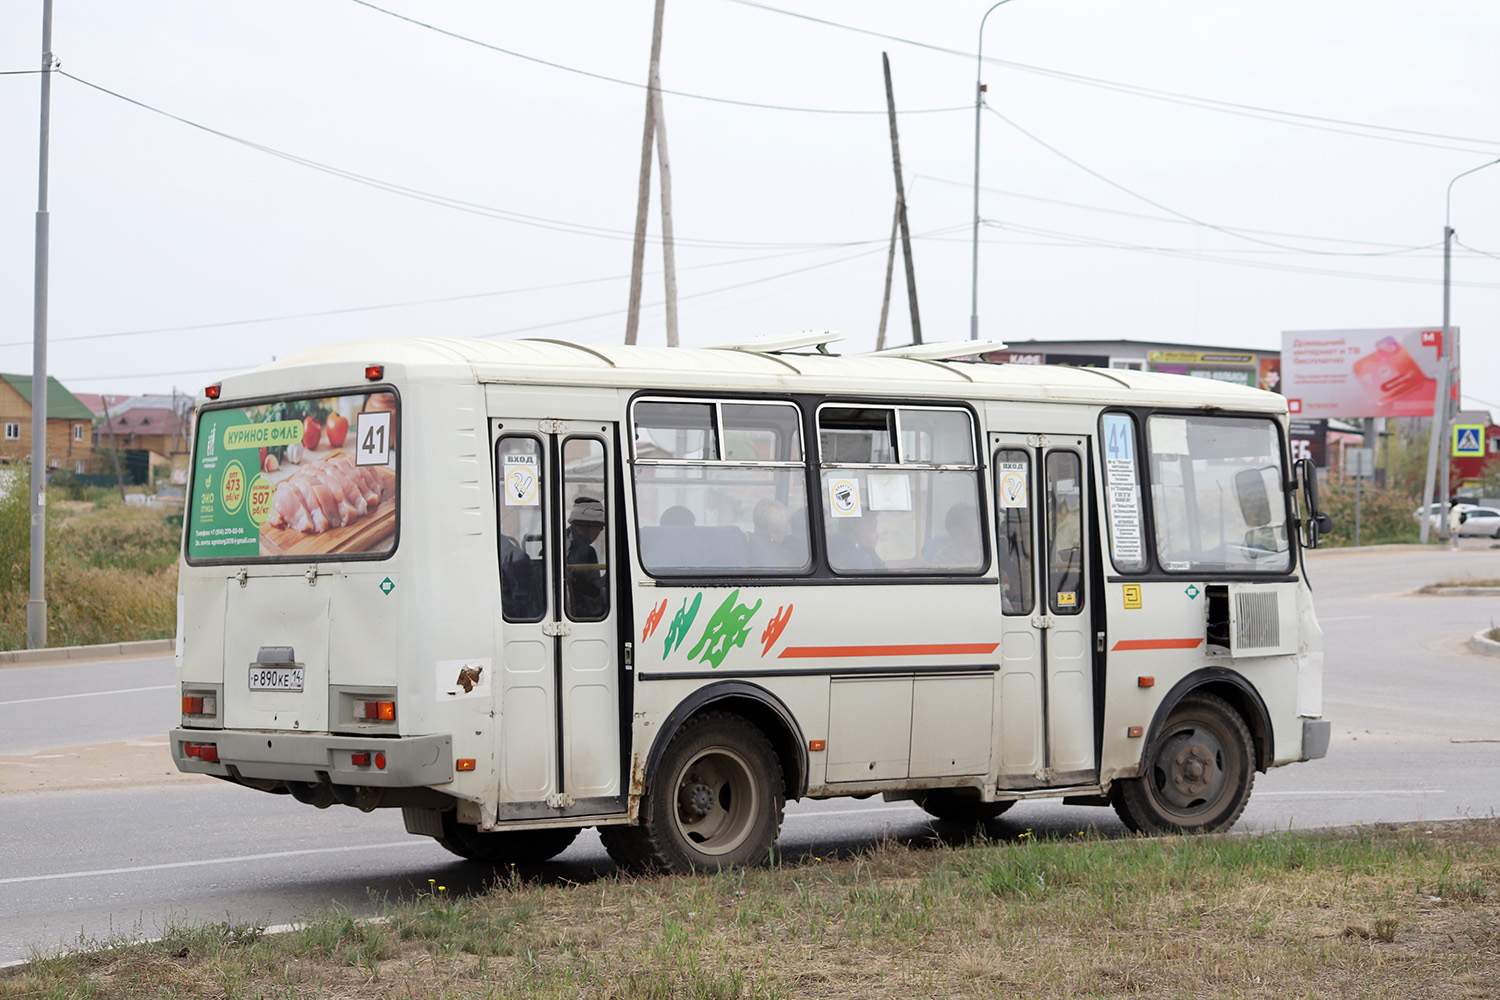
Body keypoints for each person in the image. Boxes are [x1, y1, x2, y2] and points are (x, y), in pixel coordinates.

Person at [565, 496, 608, 618]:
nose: (600, 531)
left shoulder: (559, 541)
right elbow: (592, 591)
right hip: (583, 611)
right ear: (588, 524)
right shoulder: (586, 552)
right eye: (599, 527)